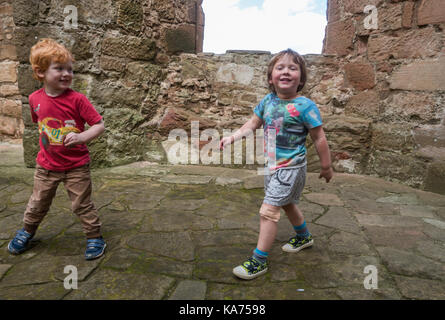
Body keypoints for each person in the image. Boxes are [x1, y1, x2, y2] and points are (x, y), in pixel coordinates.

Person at [219, 48, 333, 280]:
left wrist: (326, 166)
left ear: (301, 78)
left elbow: (319, 137)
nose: (286, 71)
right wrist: (232, 137)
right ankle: (303, 237)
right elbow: (251, 124)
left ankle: (259, 261)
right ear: (271, 77)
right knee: (288, 203)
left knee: (268, 211)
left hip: (290, 168)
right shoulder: (267, 101)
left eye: (293, 68)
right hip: (272, 166)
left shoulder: (305, 106)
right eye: (280, 67)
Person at [7, 38, 107, 260]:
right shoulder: (34, 99)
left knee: (82, 204)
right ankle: (27, 231)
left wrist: (81, 137)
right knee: (37, 203)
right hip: (46, 166)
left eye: (70, 69)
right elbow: (40, 124)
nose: (66, 74)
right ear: (40, 72)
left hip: (76, 166)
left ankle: (94, 236)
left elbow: (99, 125)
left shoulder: (78, 100)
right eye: (59, 68)